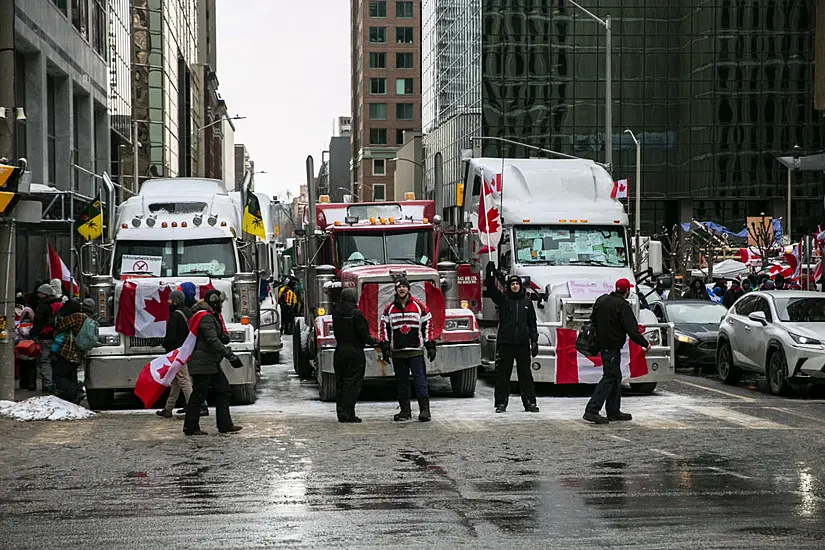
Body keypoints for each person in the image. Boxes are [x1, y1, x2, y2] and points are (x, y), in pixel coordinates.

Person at [583, 278, 650, 425]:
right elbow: (632, 330)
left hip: (602, 343)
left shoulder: (602, 300)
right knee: (610, 376)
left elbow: (592, 319)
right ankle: (592, 410)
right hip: (612, 345)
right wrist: (645, 343)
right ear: (626, 291)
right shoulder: (621, 305)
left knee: (616, 376)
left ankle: (613, 410)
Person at [183, 289, 244, 436]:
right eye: (220, 303)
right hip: (204, 362)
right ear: (215, 302)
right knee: (200, 394)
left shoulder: (210, 316)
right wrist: (229, 355)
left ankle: (224, 424)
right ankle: (191, 426)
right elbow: (211, 340)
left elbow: (213, 337)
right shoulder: (206, 318)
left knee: (222, 391)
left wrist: (223, 337)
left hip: (209, 362)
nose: (222, 306)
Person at [485, 262, 540, 413]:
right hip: (506, 343)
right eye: (512, 283)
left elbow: (532, 323)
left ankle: (530, 402)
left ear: (520, 286)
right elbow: (491, 290)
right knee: (503, 374)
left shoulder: (527, 302)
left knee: (525, 374)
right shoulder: (503, 300)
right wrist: (490, 275)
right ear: (509, 286)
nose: (515, 286)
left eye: (517, 283)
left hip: (522, 343)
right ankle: (501, 403)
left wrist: (534, 341)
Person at [381, 278, 437, 422]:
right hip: (398, 352)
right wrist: (385, 346)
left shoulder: (419, 307)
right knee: (401, 382)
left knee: (420, 381)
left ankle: (425, 410)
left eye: (404, 287)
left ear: (408, 289)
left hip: (415, 352)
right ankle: (405, 411)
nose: (402, 289)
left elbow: (428, 325)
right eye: (399, 287)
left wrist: (430, 344)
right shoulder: (389, 309)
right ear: (396, 290)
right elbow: (384, 329)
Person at [156, 290, 205, 418]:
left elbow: (171, 337)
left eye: (170, 300)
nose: (168, 302)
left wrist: (165, 345)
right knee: (175, 381)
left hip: (177, 353)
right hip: (188, 350)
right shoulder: (188, 312)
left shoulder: (175, 315)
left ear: (175, 301)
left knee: (183, 380)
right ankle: (168, 407)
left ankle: (194, 408)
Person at [332, 288, 378, 423]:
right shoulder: (357, 314)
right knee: (352, 383)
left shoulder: (336, 313)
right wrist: (376, 341)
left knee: (340, 382)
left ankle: (341, 412)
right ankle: (349, 413)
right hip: (355, 351)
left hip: (339, 350)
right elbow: (364, 334)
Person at [51, 299, 94, 405]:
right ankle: (72, 399)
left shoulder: (77, 317)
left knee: (58, 375)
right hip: (78, 352)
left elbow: (60, 326)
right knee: (70, 375)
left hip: (69, 351)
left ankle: (76, 391)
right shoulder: (88, 318)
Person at [30, 283, 62, 393]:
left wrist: (32, 334)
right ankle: (56, 382)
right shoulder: (59, 304)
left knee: (45, 360)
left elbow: (38, 322)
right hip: (58, 337)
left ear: (45, 294)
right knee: (56, 360)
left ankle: (48, 384)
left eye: (40, 293)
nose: (38, 295)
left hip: (45, 337)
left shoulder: (42, 306)